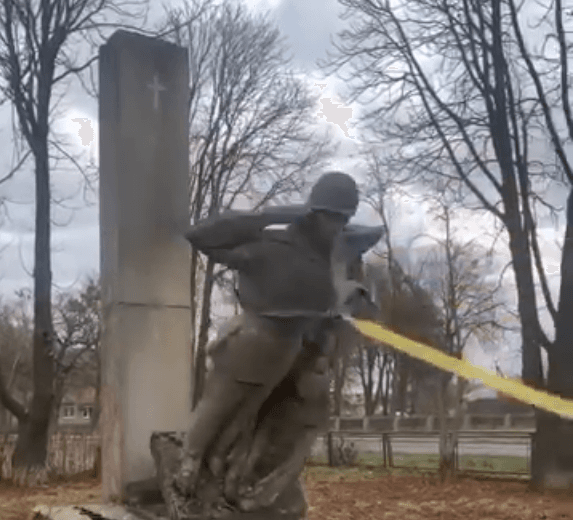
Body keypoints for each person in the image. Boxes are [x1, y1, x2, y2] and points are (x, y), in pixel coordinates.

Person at [176, 172, 382, 500]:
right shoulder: (272, 246)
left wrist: (355, 300)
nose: (335, 226)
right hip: (250, 340)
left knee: (247, 414)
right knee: (220, 403)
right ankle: (189, 459)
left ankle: (220, 466)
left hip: (288, 350)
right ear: (313, 213)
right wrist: (270, 216)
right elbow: (201, 236)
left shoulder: (339, 253)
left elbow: (352, 293)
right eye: (329, 217)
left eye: (342, 219)